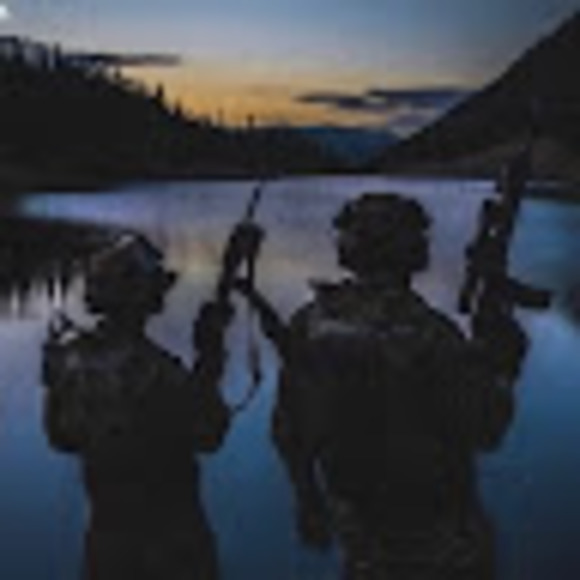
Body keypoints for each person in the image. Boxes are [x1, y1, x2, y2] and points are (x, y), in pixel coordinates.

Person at [236, 193, 528, 580]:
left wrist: (308, 501)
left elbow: (290, 431)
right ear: (412, 252)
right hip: (445, 547)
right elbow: (487, 429)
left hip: (362, 539)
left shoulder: (310, 323)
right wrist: (504, 366)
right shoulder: (432, 334)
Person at [41, 231, 246, 580]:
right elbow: (209, 434)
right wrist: (209, 357)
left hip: (107, 540)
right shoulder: (158, 371)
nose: (160, 292)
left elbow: (61, 437)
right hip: (174, 545)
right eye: (153, 286)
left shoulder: (66, 357)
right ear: (138, 296)